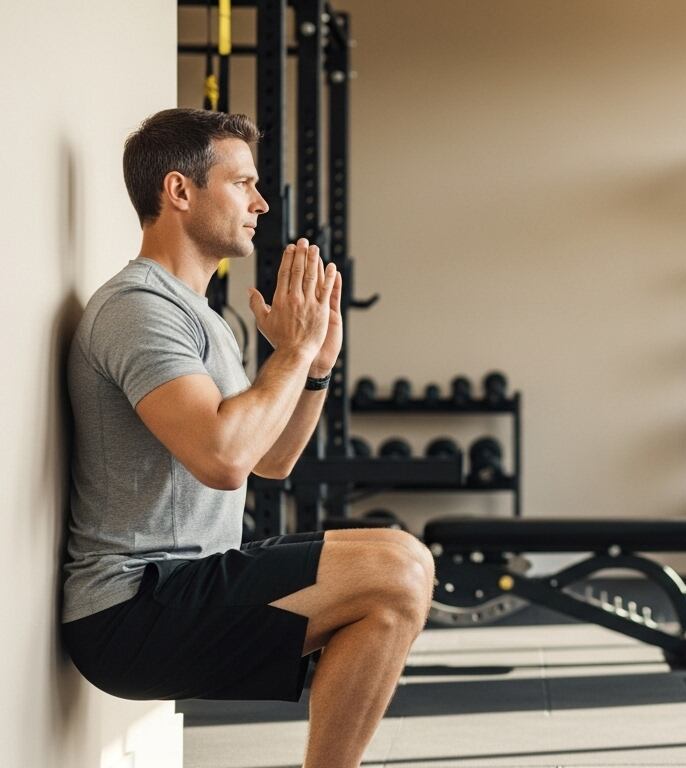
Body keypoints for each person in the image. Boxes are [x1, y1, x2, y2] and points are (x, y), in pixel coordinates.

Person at [61, 108, 432, 768]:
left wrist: (314, 370)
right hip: (131, 608)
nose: (260, 203)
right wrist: (291, 352)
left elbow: (271, 460)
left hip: (186, 584)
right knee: (397, 564)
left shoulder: (207, 320)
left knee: (393, 588)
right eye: (243, 184)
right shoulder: (137, 309)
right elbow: (223, 458)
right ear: (180, 191)